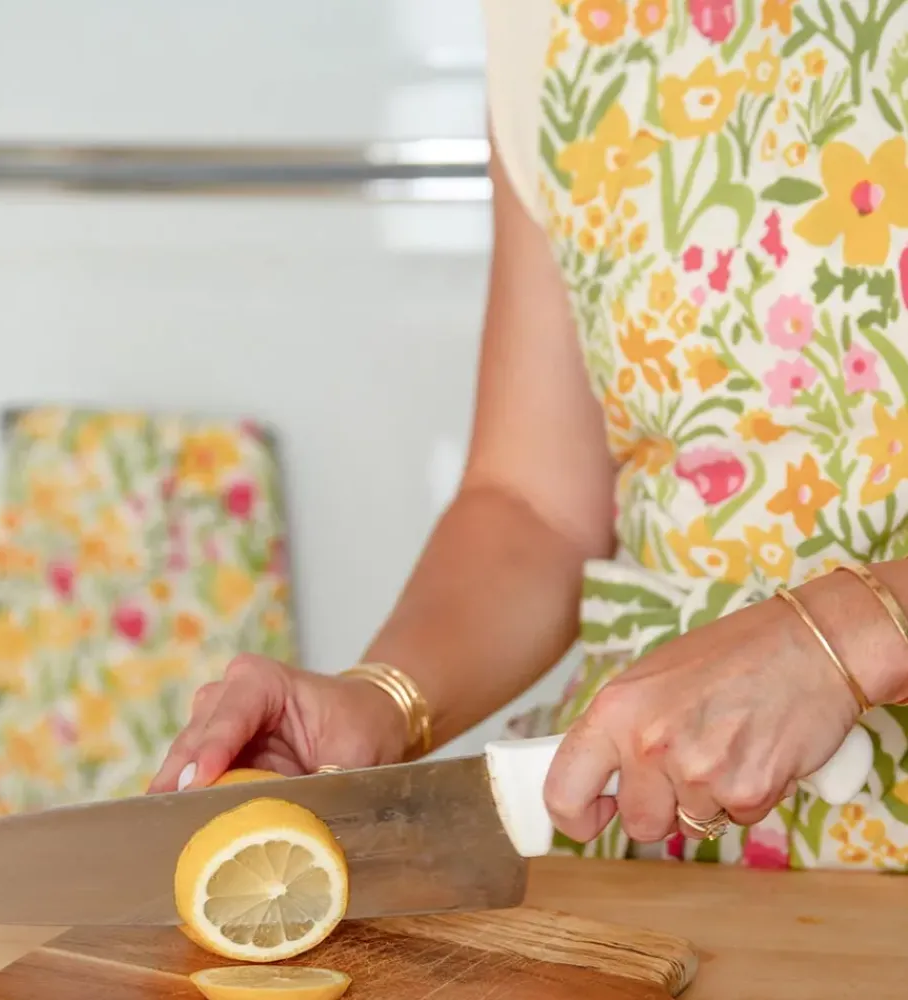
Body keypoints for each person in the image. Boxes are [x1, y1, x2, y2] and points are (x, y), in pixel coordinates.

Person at [151, 0, 908, 871]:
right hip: (654, 837)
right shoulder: (548, 22)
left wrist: (848, 634)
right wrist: (381, 700)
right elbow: (535, 501)